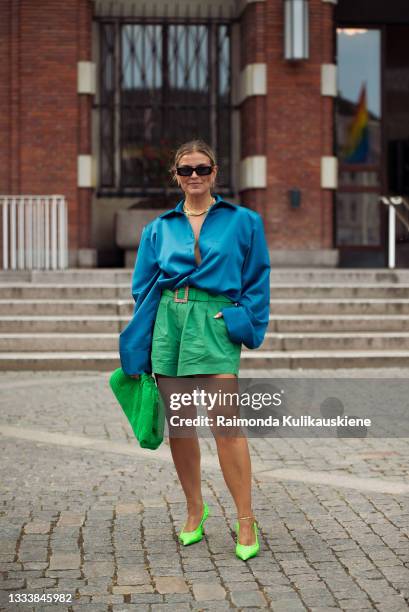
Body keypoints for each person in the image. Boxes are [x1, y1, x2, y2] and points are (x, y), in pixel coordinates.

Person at [119, 139, 270, 560]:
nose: (195, 177)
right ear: (176, 176)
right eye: (186, 170)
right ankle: (194, 510)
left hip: (215, 323)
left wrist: (241, 320)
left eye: (202, 168)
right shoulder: (158, 229)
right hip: (170, 324)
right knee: (181, 426)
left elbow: (258, 278)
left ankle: (245, 518)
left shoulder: (244, 222)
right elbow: (143, 288)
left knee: (226, 424)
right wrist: (143, 341)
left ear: (215, 172)